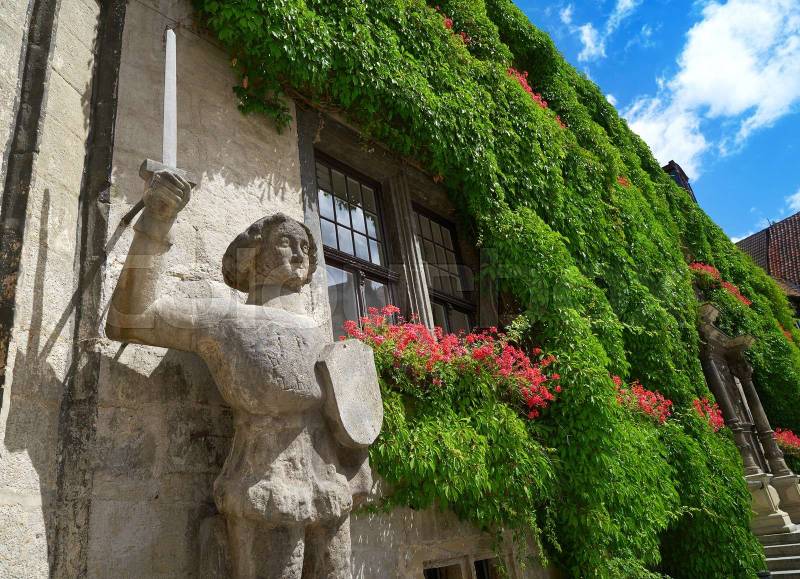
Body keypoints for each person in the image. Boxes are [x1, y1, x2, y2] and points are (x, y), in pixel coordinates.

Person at [106, 169, 373, 578]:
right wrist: (158, 220)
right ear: (253, 256)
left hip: (331, 486)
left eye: (305, 246)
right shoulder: (227, 321)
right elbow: (131, 318)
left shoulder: (321, 334)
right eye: (285, 242)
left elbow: (346, 414)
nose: (299, 253)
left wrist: (358, 468)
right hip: (267, 487)